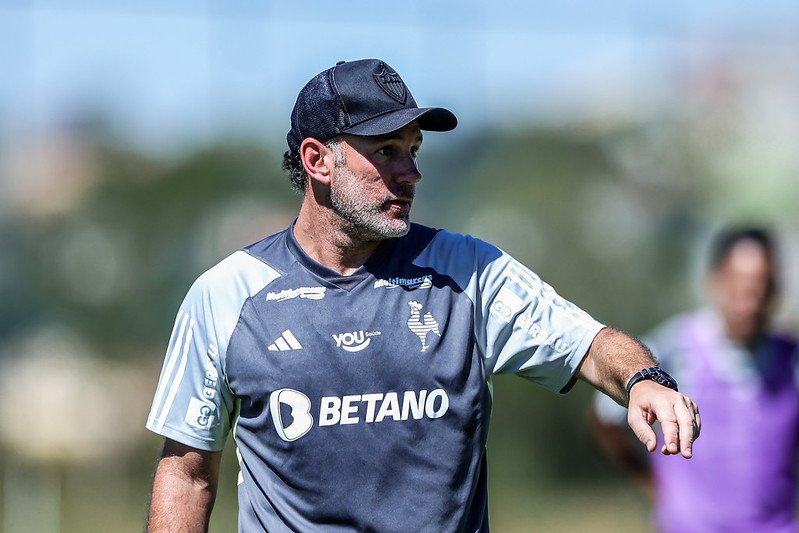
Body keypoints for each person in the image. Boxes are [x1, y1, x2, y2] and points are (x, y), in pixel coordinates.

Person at [145, 58, 700, 532]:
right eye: (385, 151)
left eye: (413, 150)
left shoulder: (467, 272)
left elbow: (591, 344)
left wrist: (645, 380)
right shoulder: (226, 294)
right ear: (317, 161)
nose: (409, 172)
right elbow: (187, 473)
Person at [593, 226, 799, 533]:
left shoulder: (791, 360)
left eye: (761, 288)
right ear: (715, 283)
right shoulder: (674, 349)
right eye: (740, 288)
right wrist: (656, 487)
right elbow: (605, 417)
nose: (750, 303)